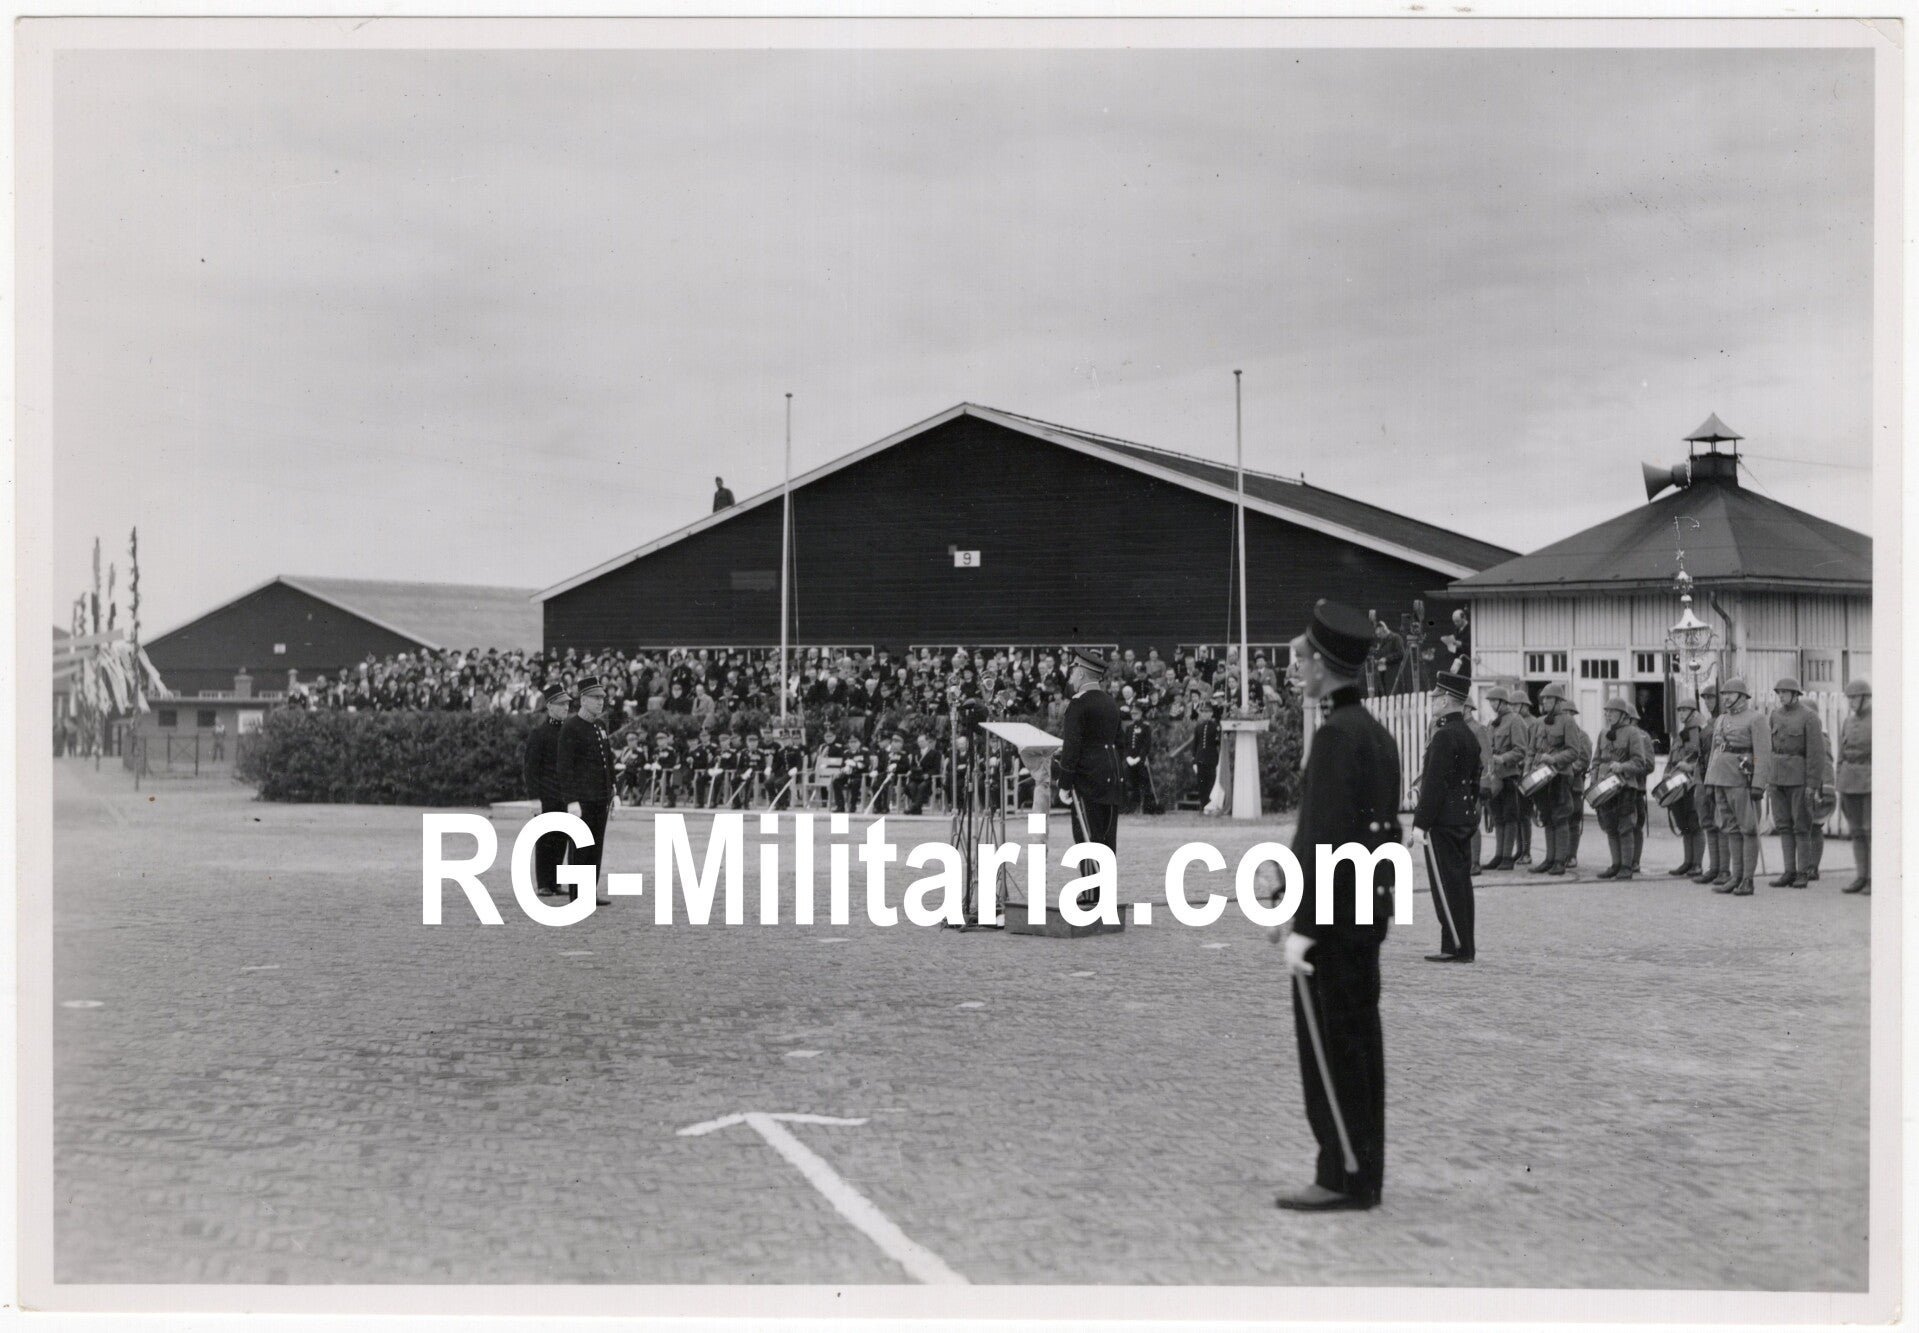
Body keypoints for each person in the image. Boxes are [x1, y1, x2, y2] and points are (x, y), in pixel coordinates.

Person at [1260, 600, 1399, 1212]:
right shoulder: (1374, 734)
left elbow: (1327, 841)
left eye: (1303, 660)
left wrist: (1304, 924)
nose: (1298, 669)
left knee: (1332, 1051)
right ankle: (1363, 1171)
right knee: (1360, 1045)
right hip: (1363, 915)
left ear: (1323, 665)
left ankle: (1341, 1174)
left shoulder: (1336, 737)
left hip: (1333, 924)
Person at [1414, 671, 1481, 963]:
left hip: (1443, 820)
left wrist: (1420, 823)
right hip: (1463, 816)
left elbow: (1434, 784)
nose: (1433, 702)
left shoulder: (1443, 736)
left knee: (1446, 884)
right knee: (1461, 883)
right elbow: (1474, 781)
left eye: (1436, 697)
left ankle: (1453, 946)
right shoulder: (1468, 734)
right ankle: (1465, 945)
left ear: (1446, 700)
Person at [1055, 647, 1125, 905]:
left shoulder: (1078, 704)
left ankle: (1092, 894)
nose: (1071, 675)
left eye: (1074, 671)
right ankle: (1105, 892)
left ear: (1082, 674)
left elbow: (1072, 746)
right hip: (1111, 775)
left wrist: (1064, 781)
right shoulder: (1110, 702)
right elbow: (1120, 742)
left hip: (1088, 777)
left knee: (1086, 835)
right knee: (1107, 836)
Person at [1703, 677, 1772, 897]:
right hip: (1721, 778)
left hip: (1741, 779)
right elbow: (1714, 751)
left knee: (1748, 829)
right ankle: (1736, 876)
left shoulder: (1756, 719)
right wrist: (1709, 780)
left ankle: (1747, 879)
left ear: (1742, 697)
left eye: (1730, 694)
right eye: (1724, 694)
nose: (1726, 698)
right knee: (1730, 828)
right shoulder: (1721, 719)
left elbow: (1762, 753)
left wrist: (1759, 783)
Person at [555, 675, 615, 907]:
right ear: (583, 700)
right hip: (582, 800)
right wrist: (571, 800)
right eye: (595, 698)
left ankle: (589, 892)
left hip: (600, 797)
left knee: (595, 846)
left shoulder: (599, 726)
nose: (600, 702)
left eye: (602, 698)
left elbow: (607, 759)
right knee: (580, 847)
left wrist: (613, 789)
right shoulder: (571, 727)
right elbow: (565, 767)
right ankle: (577, 895)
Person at [1767, 677, 1832, 888]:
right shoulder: (1774, 715)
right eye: (1779, 692)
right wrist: (1768, 778)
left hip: (1799, 780)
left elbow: (1816, 755)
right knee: (1783, 826)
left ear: (1795, 694)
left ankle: (1803, 872)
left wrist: (1812, 785)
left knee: (1801, 827)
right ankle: (1789, 871)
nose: (1781, 696)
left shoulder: (1809, 717)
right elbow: (1769, 748)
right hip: (1777, 779)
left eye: (1785, 692)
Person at [1591, 697, 1654, 880]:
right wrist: (1594, 781)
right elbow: (1596, 761)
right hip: (1604, 787)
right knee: (1610, 826)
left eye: (1612, 711)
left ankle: (1626, 866)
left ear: (1623, 715)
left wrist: (1622, 767)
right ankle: (1616, 864)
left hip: (1624, 786)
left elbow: (1640, 762)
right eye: (1606, 711)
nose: (1608, 715)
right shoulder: (1603, 733)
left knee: (1625, 826)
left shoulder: (1633, 733)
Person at [1532, 684, 1588, 876]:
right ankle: (1549, 859)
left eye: (1549, 698)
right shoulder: (1540, 722)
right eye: (1544, 698)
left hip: (1561, 776)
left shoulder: (1568, 722)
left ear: (1558, 702)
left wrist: (1554, 759)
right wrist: (1529, 769)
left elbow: (1574, 752)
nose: (1545, 701)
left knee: (1561, 817)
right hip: (1541, 777)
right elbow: (1532, 750)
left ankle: (1559, 861)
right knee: (1547, 817)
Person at [522, 682, 571, 897]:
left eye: (567, 704)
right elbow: (531, 769)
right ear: (550, 706)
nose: (566, 708)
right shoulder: (539, 734)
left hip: (564, 795)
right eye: (561, 704)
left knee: (561, 838)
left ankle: (555, 882)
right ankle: (543, 882)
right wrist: (534, 798)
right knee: (545, 839)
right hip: (546, 795)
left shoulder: (568, 732)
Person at [1836, 679, 1871, 895]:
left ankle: (1874, 878)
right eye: (1849, 698)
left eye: (1854, 698)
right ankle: (1861, 876)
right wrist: (1839, 779)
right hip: (1849, 781)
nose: (1851, 702)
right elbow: (1841, 754)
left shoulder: (1877, 721)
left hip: (1869, 781)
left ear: (1866, 698)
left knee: (1870, 831)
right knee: (1856, 831)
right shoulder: (1848, 722)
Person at [1484, 688, 1525, 870]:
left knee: (1510, 816)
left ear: (1503, 702)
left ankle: (1507, 857)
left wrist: (1503, 758)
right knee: (1497, 817)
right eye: (1490, 701)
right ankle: (1499, 855)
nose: (1491, 705)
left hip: (1509, 775)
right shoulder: (1493, 723)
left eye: (1494, 701)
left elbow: (1521, 750)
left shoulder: (1515, 720)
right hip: (1495, 776)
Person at [1665, 702, 1707, 877]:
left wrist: (1690, 767)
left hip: (1692, 784)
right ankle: (1687, 862)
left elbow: (1705, 759)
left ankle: (1697, 864)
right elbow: (1671, 759)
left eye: (1684, 710)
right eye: (1680, 710)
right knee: (1684, 825)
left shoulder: (1700, 733)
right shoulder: (1679, 735)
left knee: (1694, 824)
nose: (1681, 714)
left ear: (1693, 712)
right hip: (1676, 785)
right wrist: (1666, 775)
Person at [1689, 684, 1725, 885]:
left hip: (1718, 775)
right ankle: (1714, 867)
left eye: (1711, 698)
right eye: (1705, 699)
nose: (1707, 702)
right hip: (1702, 774)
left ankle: (1724, 869)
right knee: (1707, 822)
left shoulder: (1724, 721)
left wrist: (1704, 727)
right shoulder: (1706, 722)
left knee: (1720, 822)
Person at [1123, 702, 1156, 814]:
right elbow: (1126, 744)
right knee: (1131, 784)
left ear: (1141, 713)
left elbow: (1146, 745)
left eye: (1136, 713)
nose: (1134, 716)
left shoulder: (1145, 727)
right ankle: (1133, 807)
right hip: (1130, 760)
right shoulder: (1129, 727)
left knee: (1144, 784)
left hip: (1141, 760)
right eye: (1132, 714)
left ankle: (1146, 808)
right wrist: (1128, 757)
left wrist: (1139, 758)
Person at [1192, 699, 1222, 809]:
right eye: (1203, 712)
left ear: (1211, 713)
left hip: (1211, 758)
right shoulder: (1198, 727)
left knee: (1211, 782)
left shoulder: (1216, 726)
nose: (1205, 714)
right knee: (1201, 783)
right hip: (1200, 758)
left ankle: (1210, 805)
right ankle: (1203, 804)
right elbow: (1195, 745)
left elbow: (1218, 743)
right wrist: (1194, 760)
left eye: (1207, 712)